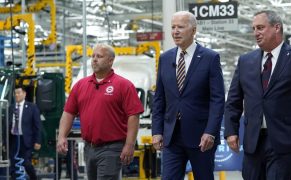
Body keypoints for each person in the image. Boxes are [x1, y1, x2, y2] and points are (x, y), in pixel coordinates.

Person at [224, 10, 291, 180]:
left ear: (276, 27)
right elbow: (233, 100)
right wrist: (230, 131)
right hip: (253, 142)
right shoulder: (245, 61)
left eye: (260, 28)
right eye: (253, 29)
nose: (255, 33)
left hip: (286, 142)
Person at [152, 11, 225, 180]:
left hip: (201, 137)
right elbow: (159, 98)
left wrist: (211, 132)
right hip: (171, 136)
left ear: (193, 30)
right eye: (173, 27)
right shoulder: (165, 58)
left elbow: (218, 99)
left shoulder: (210, 58)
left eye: (181, 27)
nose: (175, 31)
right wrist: (157, 131)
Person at [56, 44, 144, 180]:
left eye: (99, 56)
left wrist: (129, 144)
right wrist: (62, 136)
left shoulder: (123, 85)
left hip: (112, 148)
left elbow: (133, 116)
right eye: (93, 56)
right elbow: (68, 113)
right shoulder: (81, 85)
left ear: (110, 61)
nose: (94, 59)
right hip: (89, 148)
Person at [9, 85, 41, 180]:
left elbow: (37, 126)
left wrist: (38, 141)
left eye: (19, 93)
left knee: (26, 162)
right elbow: (7, 125)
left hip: (26, 140)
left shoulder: (32, 107)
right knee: (14, 163)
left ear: (24, 94)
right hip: (13, 139)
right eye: (15, 93)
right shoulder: (11, 107)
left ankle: (33, 178)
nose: (17, 95)